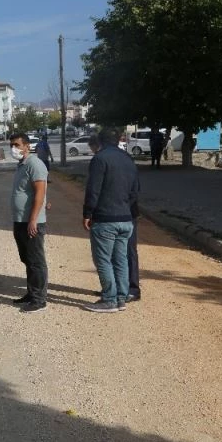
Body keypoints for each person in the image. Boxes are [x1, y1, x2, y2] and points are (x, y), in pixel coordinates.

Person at [82, 127, 139, 313]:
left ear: (100, 141)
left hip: (106, 218)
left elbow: (93, 190)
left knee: (103, 260)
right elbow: (135, 190)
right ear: (118, 140)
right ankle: (121, 298)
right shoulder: (128, 159)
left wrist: (88, 214)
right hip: (126, 218)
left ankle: (109, 299)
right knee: (120, 259)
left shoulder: (100, 159)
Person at [9, 132, 49, 313]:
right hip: (20, 220)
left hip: (31, 222)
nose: (13, 148)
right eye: (12, 145)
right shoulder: (21, 165)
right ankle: (31, 293)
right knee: (27, 259)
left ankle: (39, 299)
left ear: (26, 146)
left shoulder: (35, 164)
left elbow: (40, 192)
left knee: (36, 260)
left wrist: (33, 219)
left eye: (17, 145)